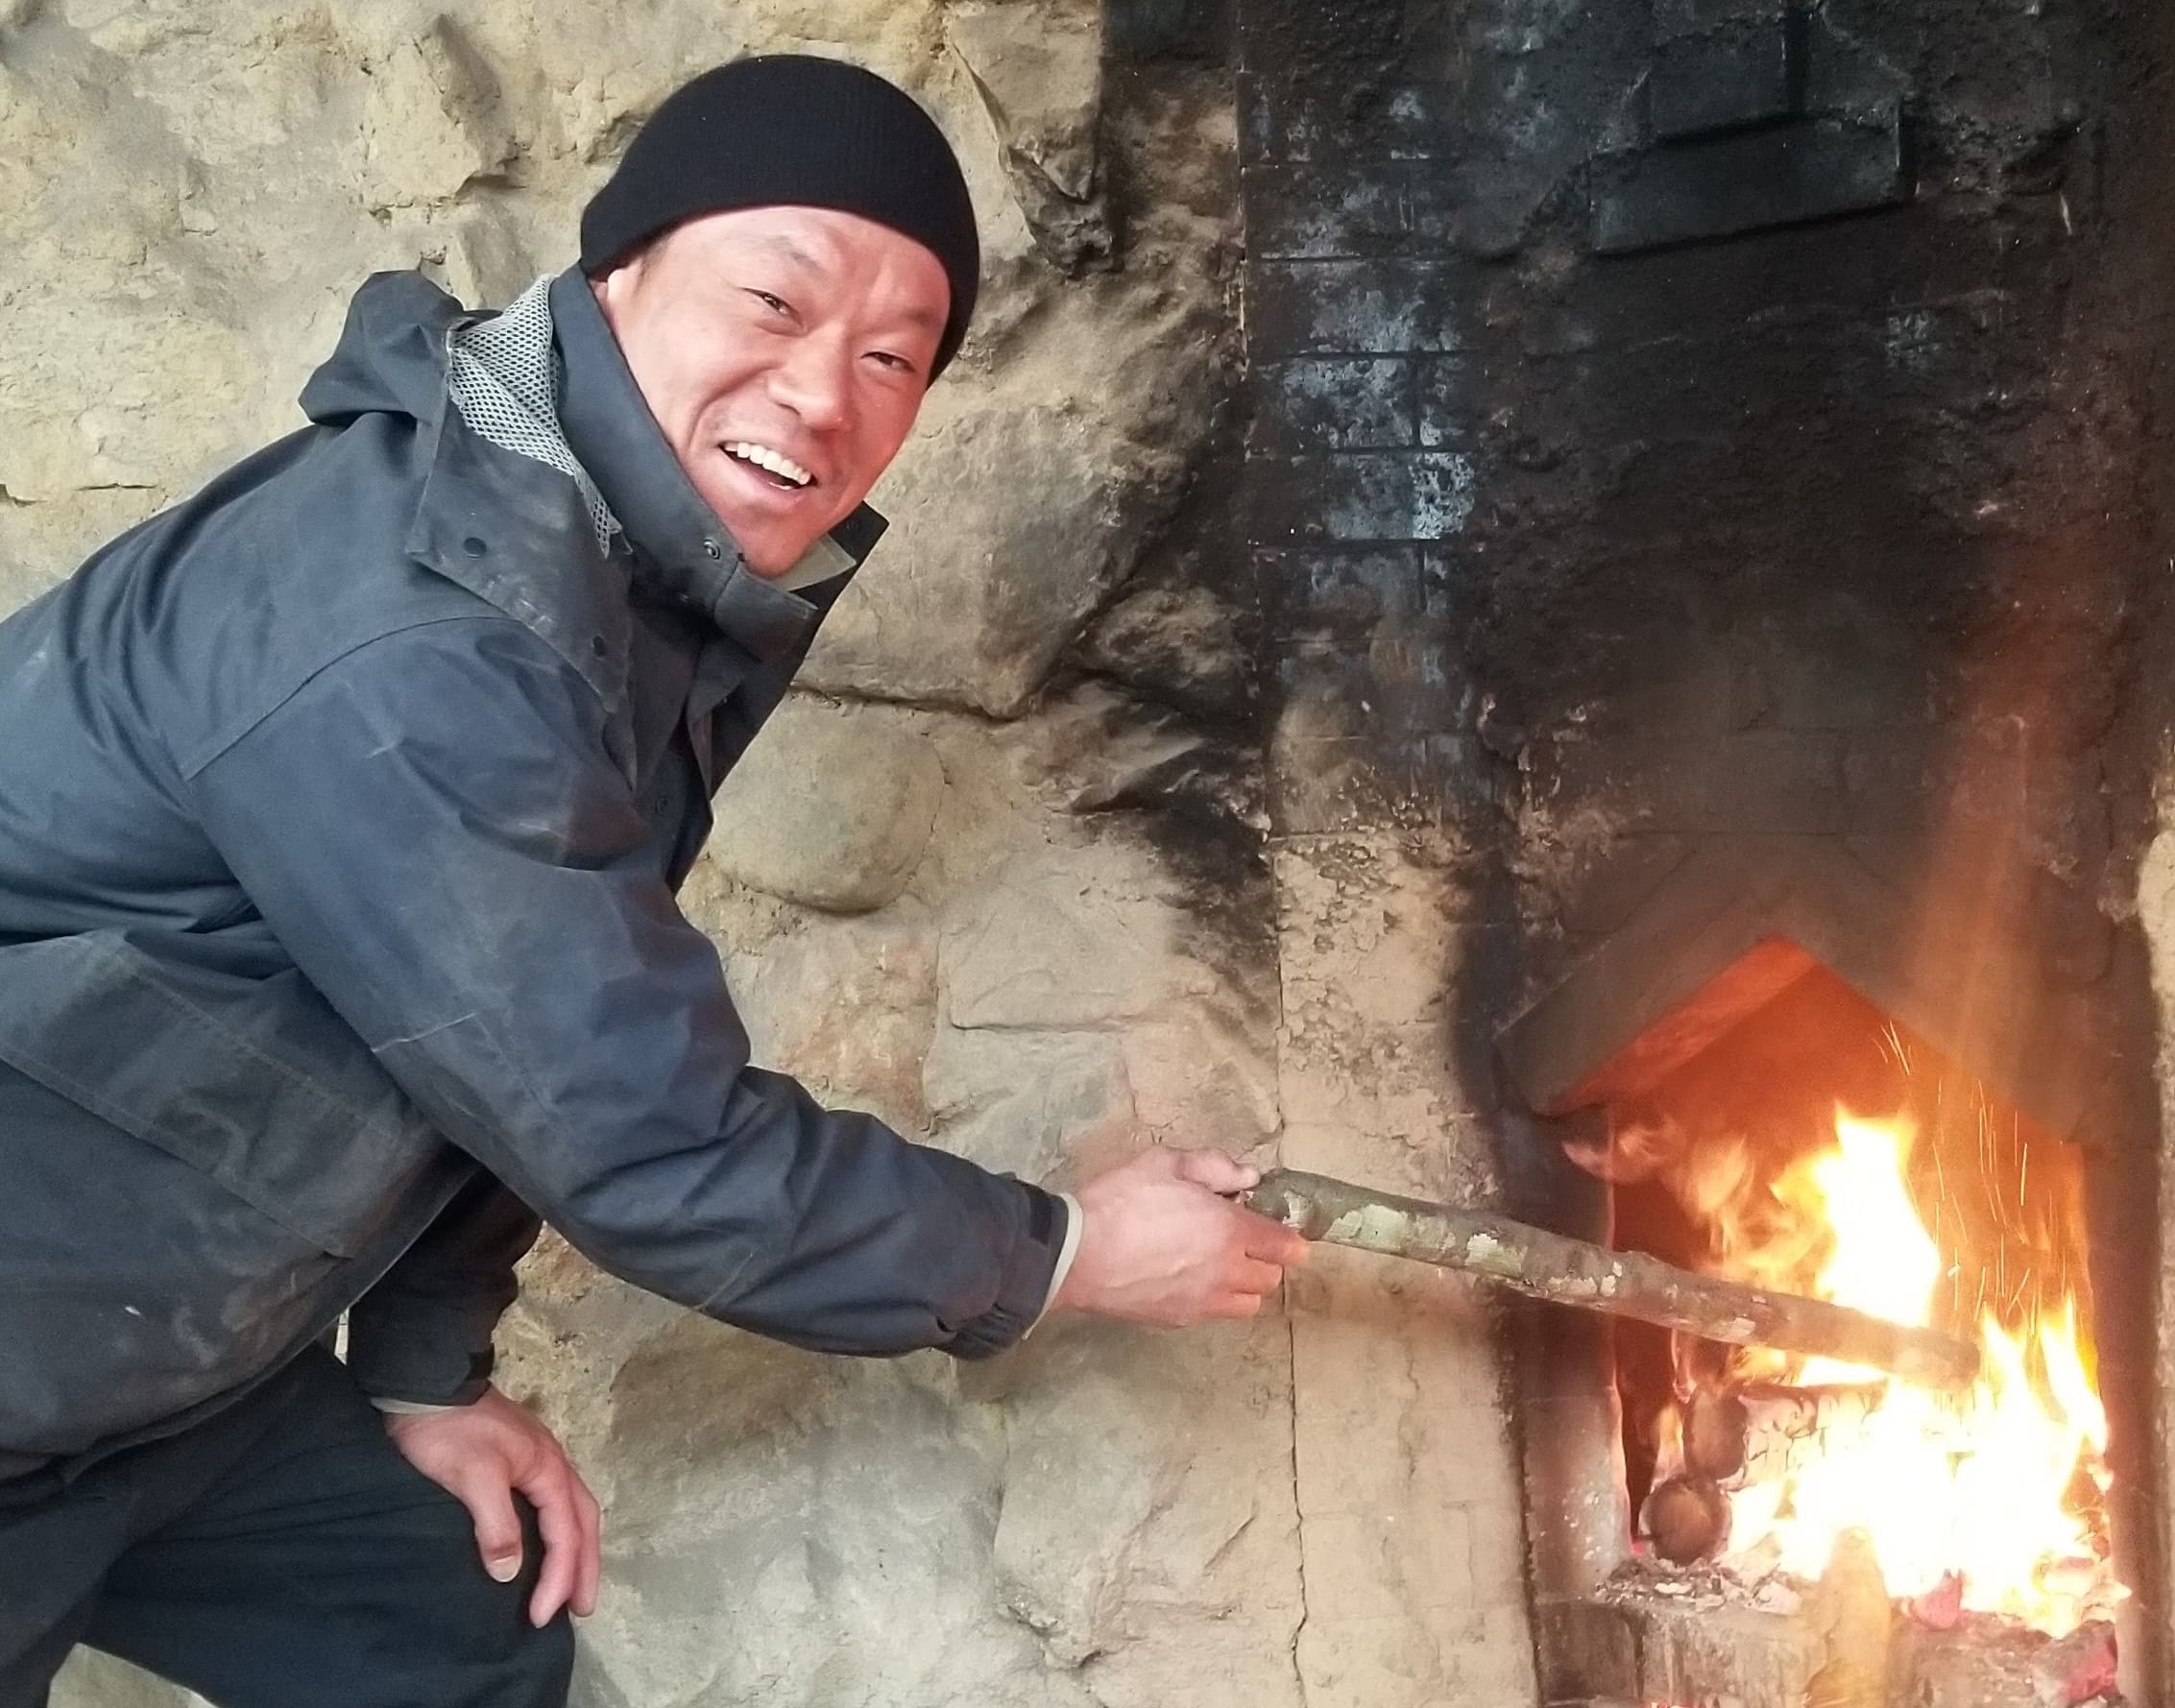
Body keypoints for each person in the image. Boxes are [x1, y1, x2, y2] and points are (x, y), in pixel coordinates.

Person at [0, 54, 1308, 1708]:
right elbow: (639, 1131)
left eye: (893, 356)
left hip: (159, 1357)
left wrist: (423, 1374)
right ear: (620, 273)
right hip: (28, 1360)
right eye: (774, 298)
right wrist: (1061, 1255)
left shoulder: (620, 578)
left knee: (462, 1632)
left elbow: (495, 1035)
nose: (826, 392)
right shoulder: (420, 631)